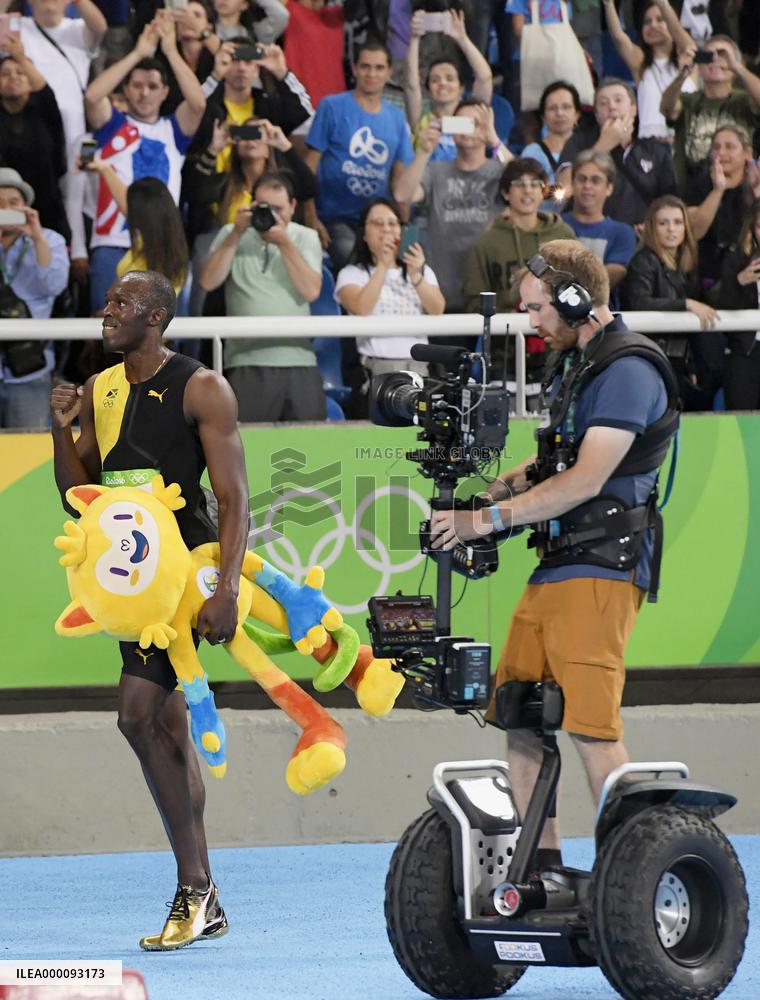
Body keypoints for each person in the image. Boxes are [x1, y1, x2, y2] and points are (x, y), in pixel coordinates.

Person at [430, 240, 679, 859]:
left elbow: (585, 480)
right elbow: (551, 461)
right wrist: (495, 487)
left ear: (575, 301)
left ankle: (633, 876)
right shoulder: (580, 364)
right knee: (520, 715)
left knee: (592, 730)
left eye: (538, 307)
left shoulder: (627, 370)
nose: (530, 319)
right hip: (558, 564)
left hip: (602, 566)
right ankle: (539, 868)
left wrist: (486, 519)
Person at [49, 269, 248, 950]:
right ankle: (205, 895)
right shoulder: (101, 389)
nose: (106, 313)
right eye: (106, 303)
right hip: (130, 582)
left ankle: (195, 888)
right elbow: (80, 494)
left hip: (184, 579)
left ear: (157, 317)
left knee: (136, 714)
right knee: (163, 724)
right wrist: (61, 430)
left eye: (121, 305)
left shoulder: (201, 386)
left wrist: (224, 588)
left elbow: (234, 498)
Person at [84, 12, 206, 312]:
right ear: (125, 89)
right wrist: (138, 53)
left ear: (165, 92)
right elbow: (92, 96)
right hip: (114, 240)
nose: (144, 92)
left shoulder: (173, 130)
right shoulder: (113, 124)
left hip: (163, 243)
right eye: (136, 85)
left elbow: (198, 103)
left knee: (168, 332)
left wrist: (170, 51)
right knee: (109, 329)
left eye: (153, 86)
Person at [199, 170, 326, 421]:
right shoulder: (231, 233)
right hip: (246, 359)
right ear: (252, 204)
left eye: (278, 209)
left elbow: (311, 291)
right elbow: (207, 282)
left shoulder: (306, 237)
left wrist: (285, 243)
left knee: (313, 446)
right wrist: (235, 234)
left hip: (299, 359)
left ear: (292, 207)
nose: (271, 216)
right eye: (263, 207)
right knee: (248, 448)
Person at [183, 115, 316, 315]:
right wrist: (214, 149)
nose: (251, 140)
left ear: (268, 144)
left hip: (272, 247)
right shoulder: (224, 183)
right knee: (205, 248)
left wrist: (284, 145)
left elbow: (309, 188)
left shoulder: (282, 184)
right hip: (231, 248)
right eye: (244, 134)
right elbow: (193, 192)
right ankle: (197, 338)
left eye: (257, 135)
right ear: (236, 142)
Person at [14, 0, 107, 282]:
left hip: (70, 117)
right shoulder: (20, 25)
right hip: (28, 120)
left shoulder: (77, 28)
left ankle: (77, 248)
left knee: (74, 183)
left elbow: (100, 26)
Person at [304, 39, 414, 271]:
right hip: (335, 218)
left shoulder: (397, 118)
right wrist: (311, 218)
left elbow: (400, 179)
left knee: (408, 265)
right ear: (354, 69)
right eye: (365, 66)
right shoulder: (331, 106)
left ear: (389, 72)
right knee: (355, 265)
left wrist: (406, 231)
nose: (371, 73)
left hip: (380, 221)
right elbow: (309, 168)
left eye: (378, 67)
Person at [394, 99, 508, 315]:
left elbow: (528, 184)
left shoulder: (499, 171)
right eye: (461, 122)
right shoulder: (436, 170)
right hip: (443, 291)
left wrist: (494, 140)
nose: (468, 128)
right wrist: (424, 151)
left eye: (474, 123)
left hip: (488, 289)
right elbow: (402, 195)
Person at [335, 197, 444, 390]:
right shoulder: (351, 274)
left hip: (419, 368)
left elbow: (437, 309)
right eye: (378, 224)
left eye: (393, 224)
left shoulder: (422, 271)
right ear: (364, 233)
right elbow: (362, 308)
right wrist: (383, 265)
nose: (386, 229)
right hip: (376, 369)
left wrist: (415, 275)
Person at [621, 194, 718, 408]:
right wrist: (686, 304)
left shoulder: (686, 266)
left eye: (677, 222)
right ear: (652, 228)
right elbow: (640, 303)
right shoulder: (644, 261)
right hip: (651, 359)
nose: (671, 229)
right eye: (663, 223)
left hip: (678, 359)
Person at [0, 168, 69, 428]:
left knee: (25, 454)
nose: (5, 208)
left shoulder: (50, 240)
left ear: (26, 208)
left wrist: (36, 236)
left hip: (29, 370)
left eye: (13, 203)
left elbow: (55, 285)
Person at [557, 77, 677, 227]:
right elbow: (564, 190)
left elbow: (670, 201)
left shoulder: (656, 149)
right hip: (589, 232)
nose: (612, 107)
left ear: (634, 109)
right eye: (603, 103)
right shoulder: (579, 142)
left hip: (643, 237)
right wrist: (602, 146)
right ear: (596, 113)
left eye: (618, 100)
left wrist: (654, 225)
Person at [661, 33, 760, 186]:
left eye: (723, 55)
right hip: (693, 193)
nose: (715, 60)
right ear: (699, 66)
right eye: (708, 56)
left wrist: (738, 67)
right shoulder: (688, 100)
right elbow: (666, 108)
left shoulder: (745, 100)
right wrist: (683, 74)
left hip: (740, 194)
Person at [0, 44, 70, 243]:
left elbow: (45, 92)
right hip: (4, 212)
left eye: (20, 73)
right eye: (5, 74)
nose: (13, 77)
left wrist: (21, 58)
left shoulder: (45, 113)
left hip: (49, 209)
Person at [404, 8, 493, 162]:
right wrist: (414, 38)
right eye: (435, 80)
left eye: (450, 78)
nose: (443, 83)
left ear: (461, 87)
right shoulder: (421, 119)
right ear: (428, 90)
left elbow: (484, 78)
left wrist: (462, 39)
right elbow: (411, 85)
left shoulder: (472, 115)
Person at [602, 0, 697, 140]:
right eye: (647, 22)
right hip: (650, 147)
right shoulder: (639, 63)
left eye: (660, 20)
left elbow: (681, 35)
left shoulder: (688, 58)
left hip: (686, 144)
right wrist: (609, 4)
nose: (653, 25)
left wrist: (663, 5)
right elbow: (618, 37)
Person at [562, 151, 637, 297]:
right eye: (581, 179)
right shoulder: (555, 225)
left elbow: (612, 275)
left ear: (609, 188)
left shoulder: (622, 233)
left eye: (595, 180)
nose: (587, 186)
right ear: (572, 183)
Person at [716, 199, 760, 410]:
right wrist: (740, 281)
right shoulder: (737, 258)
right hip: (745, 351)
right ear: (752, 227)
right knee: (743, 417)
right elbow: (722, 304)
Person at [521, 81, 581, 191]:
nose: (559, 113)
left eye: (566, 107)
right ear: (543, 117)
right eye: (552, 108)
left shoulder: (588, 148)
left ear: (577, 114)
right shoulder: (532, 152)